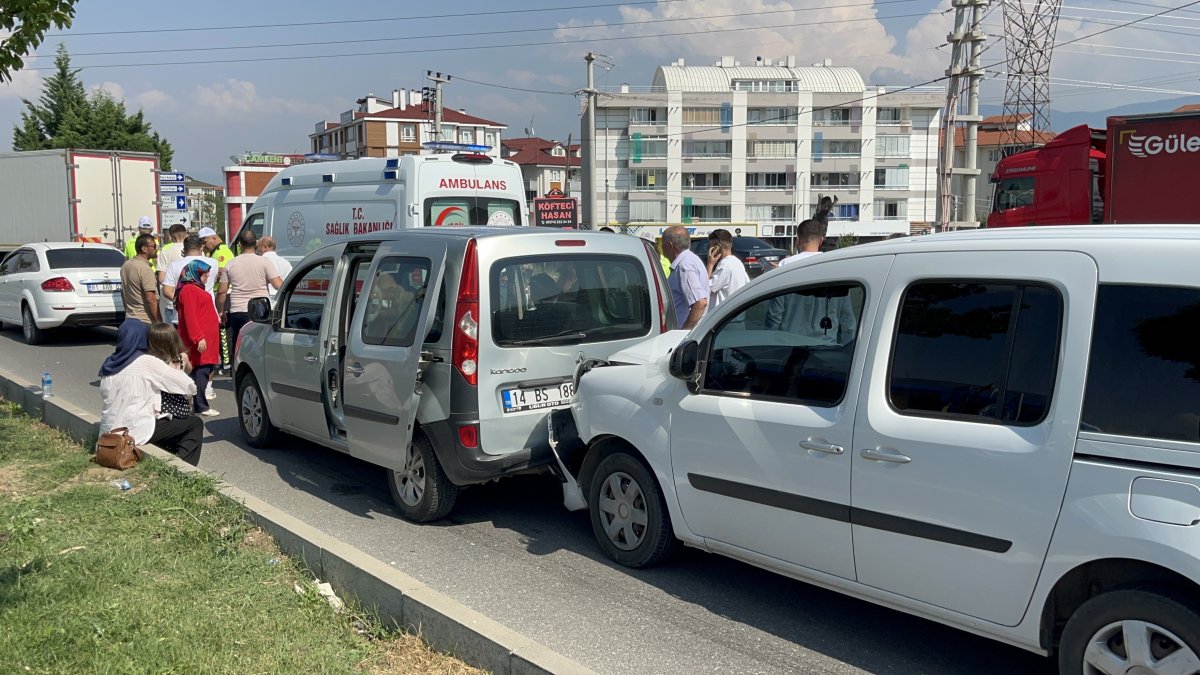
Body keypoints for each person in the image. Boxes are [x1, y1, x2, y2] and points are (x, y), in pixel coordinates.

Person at [99, 319, 203, 466]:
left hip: (109, 431)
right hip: (135, 430)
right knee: (194, 424)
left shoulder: (109, 364)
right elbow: (188, 386)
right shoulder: (146, 362)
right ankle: (182, 471)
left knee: (170, 424)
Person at [218, 229, 282, 355]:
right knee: (260, 347)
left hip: (238, 311)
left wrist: (220, 311)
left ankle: (237, 371)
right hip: (261, 310)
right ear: (255, 244)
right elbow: (278, 284)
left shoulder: (230, 264)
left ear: (240, 245)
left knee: (239, 348)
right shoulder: (265, 262)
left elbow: (222, 291)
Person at [175, 260, 221, 417]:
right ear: (194, 273)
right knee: (201, 371)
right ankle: (201, 405)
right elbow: (190, 317)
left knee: (202, 371)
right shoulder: (189, 290)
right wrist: (198, 337)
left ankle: (198, 404)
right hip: (200, 340)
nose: (207, 275)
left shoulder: (193, 288)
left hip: (206, 339)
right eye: (204, 272)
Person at [660, 225, 708, 330]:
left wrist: (683, 334)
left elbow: (700, 303)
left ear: (669, 246)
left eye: (662, 244)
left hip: (684, 335)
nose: (661, 248)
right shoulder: (692, 259)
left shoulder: (684, 266)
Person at [120, 232, 161, 324]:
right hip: (145, 320)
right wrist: (158, 322)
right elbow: (151, 299)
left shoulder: (126, 266)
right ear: (144, 249)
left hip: (130, 318)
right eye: (154, 246)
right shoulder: (145, 269)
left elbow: (123, 294)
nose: (157, 249)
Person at [705, 228, 749, 314]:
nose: (709, 248)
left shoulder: (724, 265)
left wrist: (710, 265)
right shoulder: (737, 262)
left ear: (717, 246)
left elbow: (707, 288)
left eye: (711, 245)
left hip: (723, 315)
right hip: (736, 312)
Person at [156, 224, 189, 322]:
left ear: (170, 237)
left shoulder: (165, 252)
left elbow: (161, 278)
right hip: (191, 300)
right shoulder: (194, 251)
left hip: (171, 301)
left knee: (172, 335)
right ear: (186, 235)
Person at [255, 235, 293, 304]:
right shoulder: (286, 262)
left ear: (264, 247)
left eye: (258, 249)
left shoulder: (260, 261)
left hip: (266, 299)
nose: (258, 252)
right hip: (282, 298)